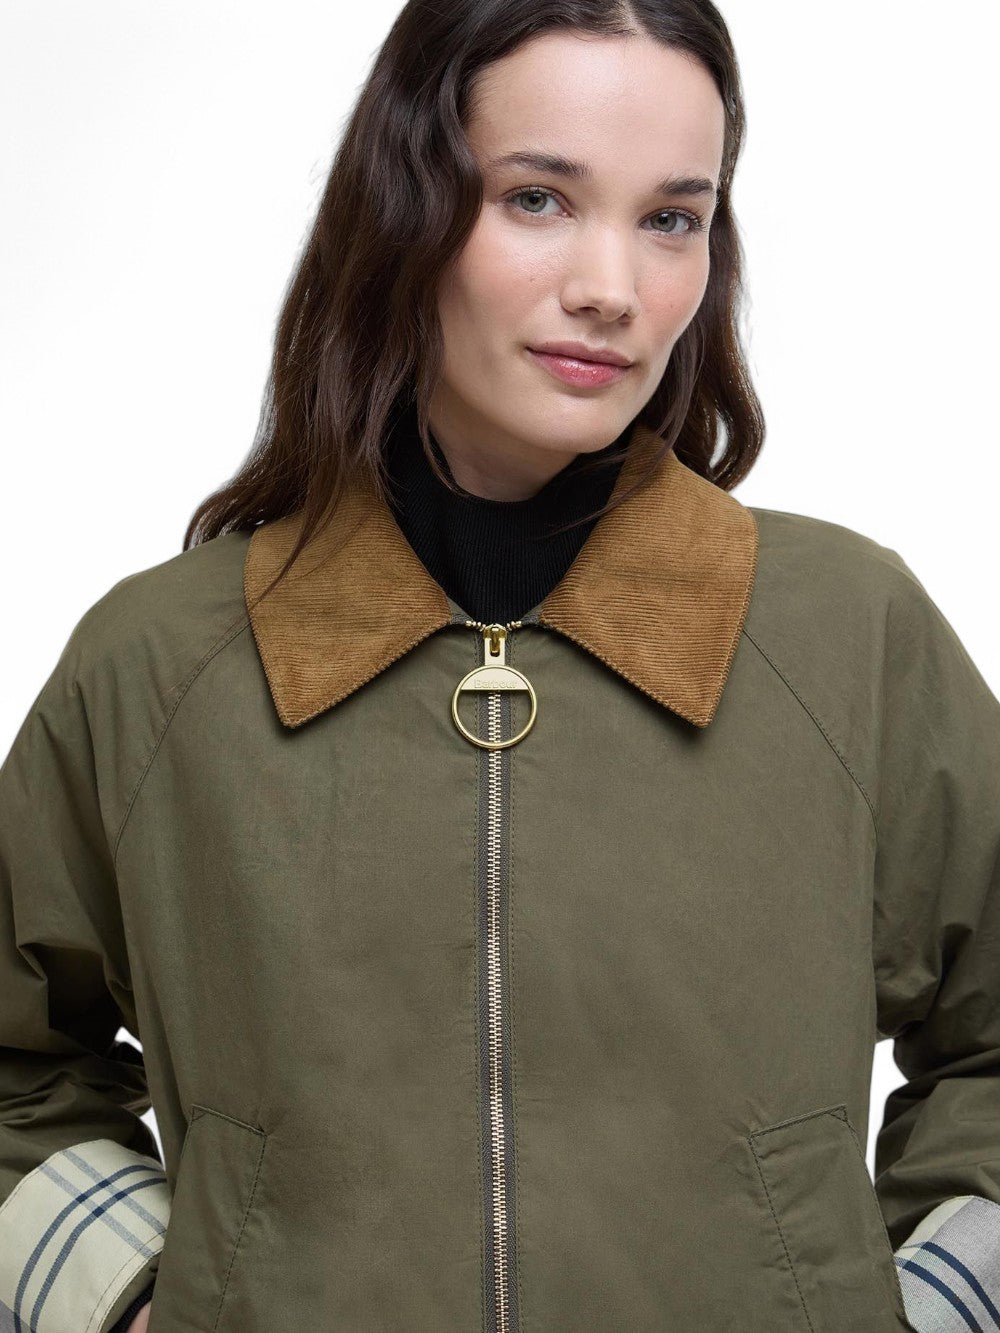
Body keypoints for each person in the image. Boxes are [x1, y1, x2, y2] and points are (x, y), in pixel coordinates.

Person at [1, 2, 998, 1330]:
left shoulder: (850, 636)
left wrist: (931, 1310)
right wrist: (132, 1301)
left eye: (672, 218)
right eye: (538, 199)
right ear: (403, 209)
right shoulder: (159, 665)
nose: (613, 286)